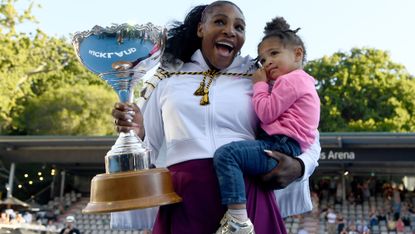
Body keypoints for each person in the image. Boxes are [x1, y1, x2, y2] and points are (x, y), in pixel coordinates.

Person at [111, 1, 320, 233]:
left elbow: (308, 129)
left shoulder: (259, 76)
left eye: (239, 27)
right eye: (220, 21)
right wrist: (137, 134)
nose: (230, 30)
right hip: (185, 198)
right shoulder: (167, 79)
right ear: (201, 29)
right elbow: (149, 147)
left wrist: (300, 165)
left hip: (248, 195)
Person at [212, 16, 320, 232]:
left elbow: (266, 113)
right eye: (262, 59)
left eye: (274, 54)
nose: (267, 62)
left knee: (227, 155)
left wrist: (260, 85)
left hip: (279, 145)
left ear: (297, 54)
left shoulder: (290, 81)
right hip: (284, 145)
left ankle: (237, 220)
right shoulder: (301, 80)